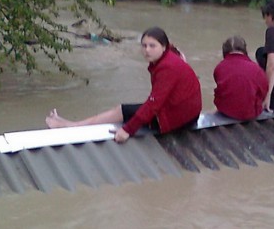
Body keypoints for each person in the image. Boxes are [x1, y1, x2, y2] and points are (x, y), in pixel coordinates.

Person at [45, 27, 202, 143]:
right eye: (144, 45)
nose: (147, 50)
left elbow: (154, 104)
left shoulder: (167, 67)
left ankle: (72, 126)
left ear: (164, 47)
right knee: (127, 110)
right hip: (186, 112)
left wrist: (127, 130)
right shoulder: (170, 57)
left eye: (152, 46)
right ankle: (72, 125)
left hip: (178, 118)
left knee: (122, 110)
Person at [213, 35, 268, 120]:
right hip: (251, 113)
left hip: (226, 111)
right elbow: (264, 91)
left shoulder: (219, 67)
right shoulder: (257, 69)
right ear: (244, 50)